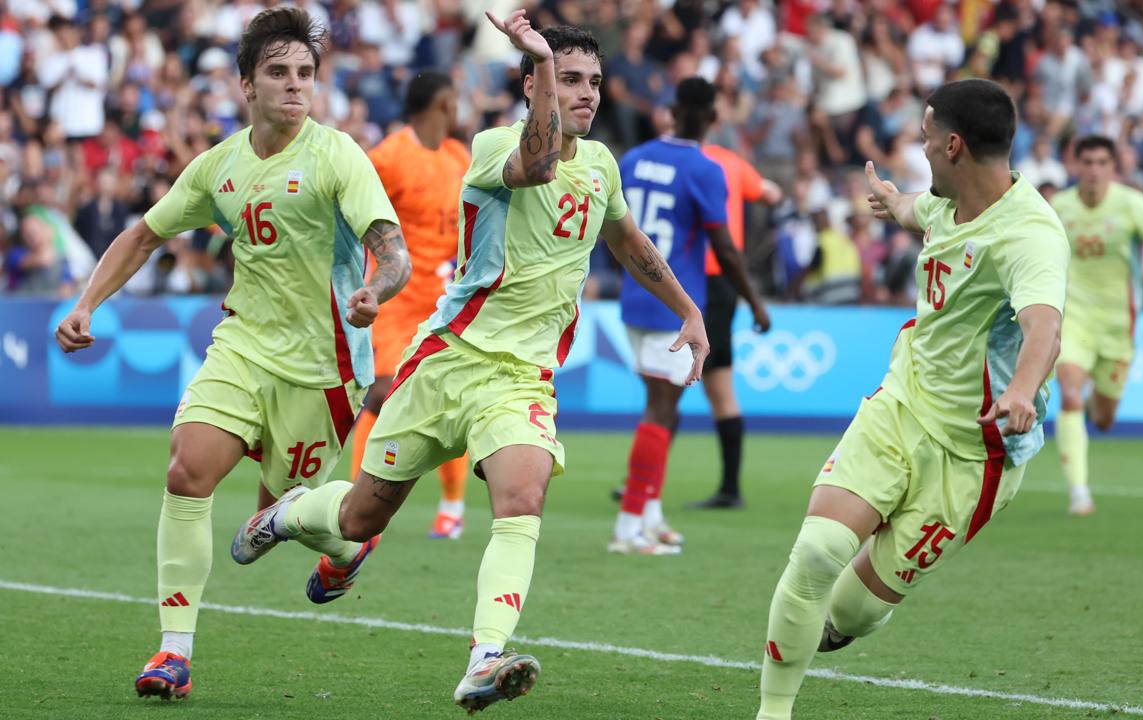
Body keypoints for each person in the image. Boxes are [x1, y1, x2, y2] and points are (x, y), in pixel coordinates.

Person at [230, 13, 708, 714]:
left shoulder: (602, 165)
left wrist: (687, 309)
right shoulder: (490, 149)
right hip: (447, 359)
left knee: (523, 496)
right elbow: (538, 163)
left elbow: (627, 239)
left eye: (593, 82)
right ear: (531, 83)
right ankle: (293, 511)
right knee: (361, 519)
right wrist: (541, 61)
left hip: (522, 377)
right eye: (566, 79)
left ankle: (485, 657)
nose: (585, 93)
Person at [53, 7, 410, 701]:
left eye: (305, 73)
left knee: (278, 518)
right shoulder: (219, 166)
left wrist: (376, 290)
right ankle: (172, 654)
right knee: (187, 472)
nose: (295, 85)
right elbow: (142, 236)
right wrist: (86, 303)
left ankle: (346, 548)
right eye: (278, 72)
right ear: (246, 82)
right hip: (242, 349)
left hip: (324, 374)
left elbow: (391, 250)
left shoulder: (337, 155)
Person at [756, 79, 1069, 719]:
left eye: (925, 137)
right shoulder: (943, 204)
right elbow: (913, 212)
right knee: (816, 551)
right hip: (901, 406)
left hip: (975, 456)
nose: (919, 147)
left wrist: (1019, 389)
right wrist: (893, 199)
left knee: (853, 611)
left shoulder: (1030, 235)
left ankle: (843, 621)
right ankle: (773, 711)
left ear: (953, 144)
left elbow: (1046, 326)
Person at [610, 76, 770, 555]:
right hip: (674, 306)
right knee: (662, 408)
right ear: (712, 118)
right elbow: (725, 246)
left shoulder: (634, 159)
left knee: (661, 406)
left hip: (634, 296)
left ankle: (651, 514)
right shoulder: (704, 168)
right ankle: (628, 526)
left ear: (672, 110)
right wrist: (755, 301)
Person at [355, 71, 473, 539]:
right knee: (383, 394)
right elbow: (352, 212)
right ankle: (358, 503)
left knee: (446, 404)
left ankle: (452, 507)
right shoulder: (387, 157)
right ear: (443, 103)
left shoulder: (459, 158)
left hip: (445, 302)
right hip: (394, 297)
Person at [1050, 135, 1143, 516]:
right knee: (1069, 391)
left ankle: (1095, 405)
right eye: (1086, 162)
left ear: (1112, 167)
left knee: (1104, 418)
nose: (1093, 170)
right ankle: (1079, 493)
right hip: (1072, 318)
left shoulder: (1132, 205)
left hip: (1118, 324)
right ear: (1076, 165)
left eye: (1100, 163)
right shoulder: (1059, 207)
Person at [689, 138, 782, 510]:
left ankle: (642, 484)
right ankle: (729, 488)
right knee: (720, 384)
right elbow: (772, 195)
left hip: (694, 279)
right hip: (726, 284)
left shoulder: (687, 161)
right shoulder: (732, 162)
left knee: (676, 379)